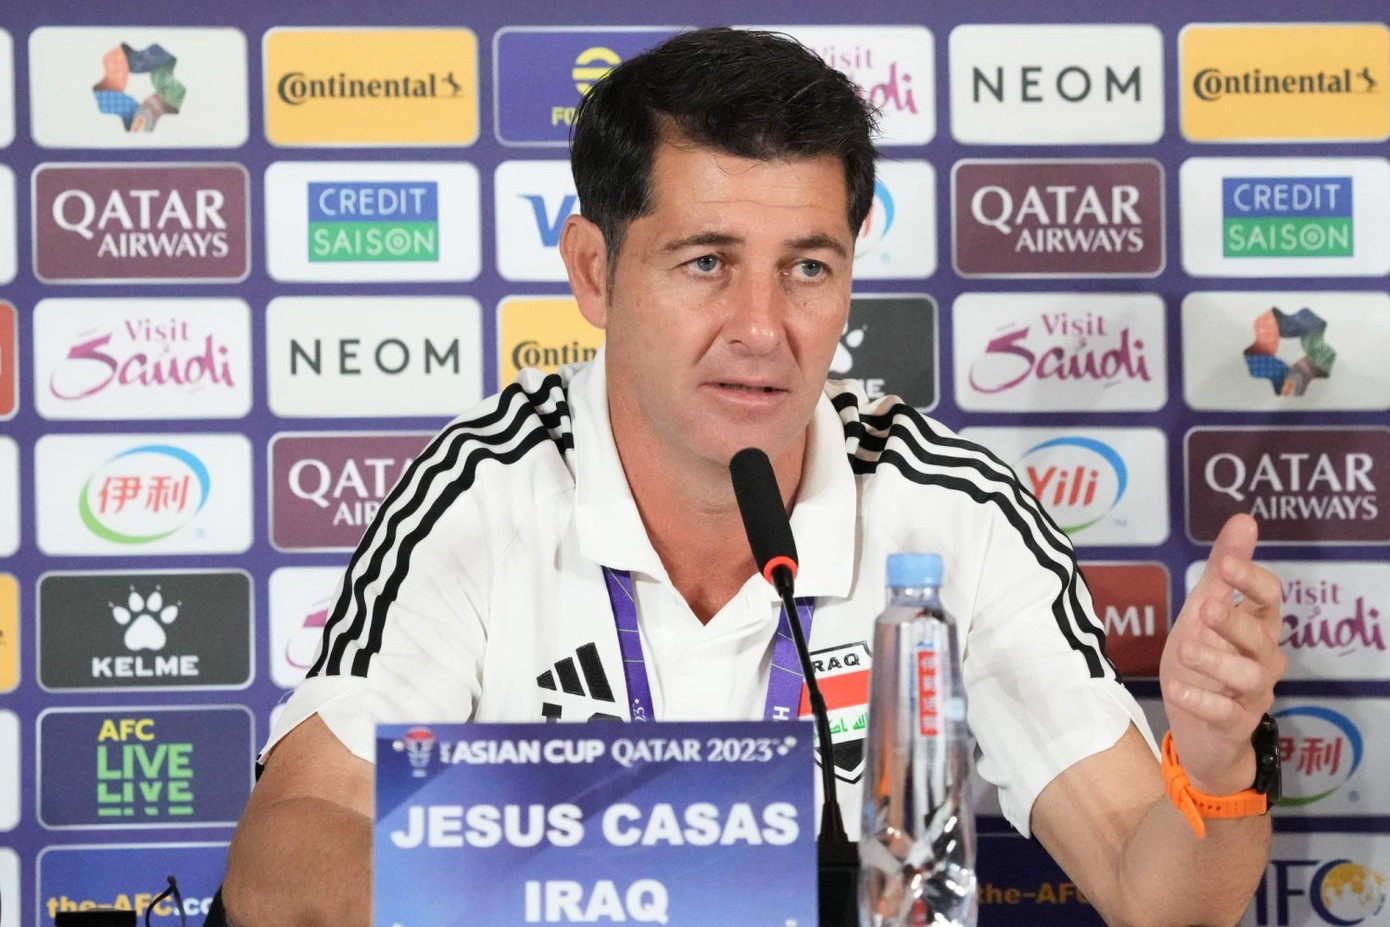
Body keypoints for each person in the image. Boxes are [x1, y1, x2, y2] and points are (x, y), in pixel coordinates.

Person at [224, 27, 1285, 927]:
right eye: (706, 262)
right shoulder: (484, 489)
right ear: (594, 270)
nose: (763, 328)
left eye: (807, 268)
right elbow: (284, 862)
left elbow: (1160, 897)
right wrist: (634, 887)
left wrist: (1216, 768)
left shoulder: (948, 506)